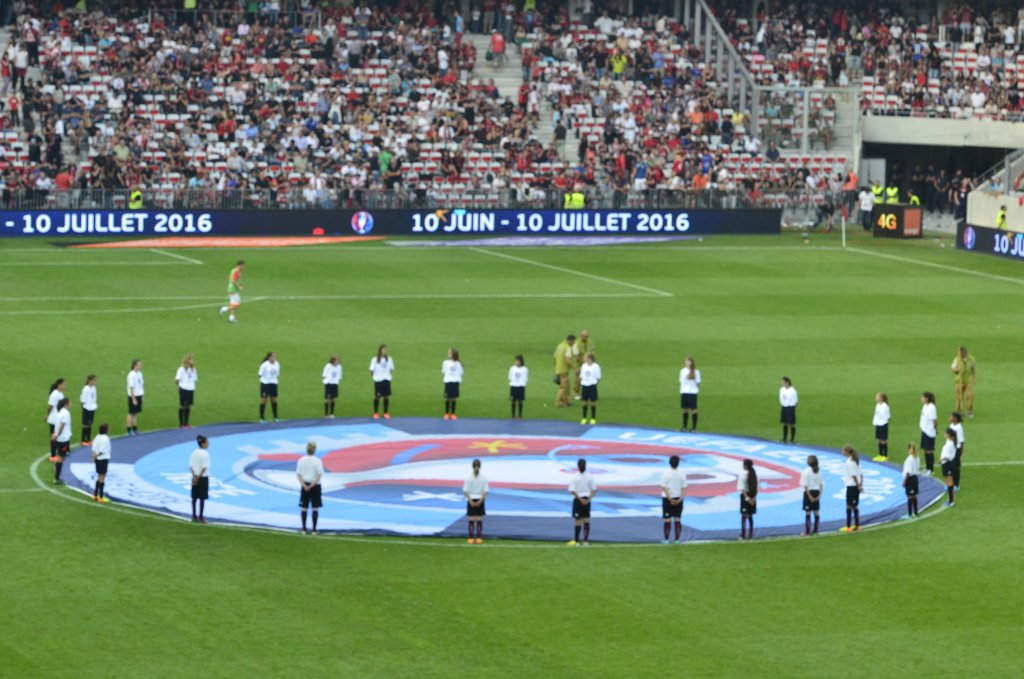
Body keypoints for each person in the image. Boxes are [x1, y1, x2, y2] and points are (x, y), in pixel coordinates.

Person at [567, 458, 597, 546]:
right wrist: (588, 499)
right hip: (587, 499)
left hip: (578, 499)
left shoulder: (574, 477)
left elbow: (572, 490)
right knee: (586, 519)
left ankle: (576, 541)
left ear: (578, 466)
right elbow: (594, 490)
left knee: (578, 520)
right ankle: (586, 541)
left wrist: (580, 499)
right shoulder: (590, 476)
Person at [296, 441, 324, 534]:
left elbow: (298, 474)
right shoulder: (317, 461)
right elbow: (319, 474)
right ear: (314, 450)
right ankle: (314, 530)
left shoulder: (301, 460)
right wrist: (312, 485)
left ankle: (304, 529)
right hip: (315, 485)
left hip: (305, 485)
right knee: (315, 507)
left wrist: (304, 485)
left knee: (304, 507)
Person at [660, 455, 688, 544]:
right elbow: (684, 488)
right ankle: (677, 540)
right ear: (678, 463)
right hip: (678, 497)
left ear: (669, 463)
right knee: (677, 519)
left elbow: (664, 487)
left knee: (667, 519)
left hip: (667, 498)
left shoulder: (665, 473)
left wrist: (670, 499)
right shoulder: (682, 474)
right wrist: (680, 499)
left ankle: (667, 540)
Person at [462, 459, 488, 544]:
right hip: (479, 499)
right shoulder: (483, 478)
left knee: (472, 519)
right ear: (479, 467)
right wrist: (480, 501)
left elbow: (466, 491)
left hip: (472, 499)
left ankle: (471, 538)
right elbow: (486, 491)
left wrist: (470, 501)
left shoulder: (468, 478)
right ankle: (478, 538)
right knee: (479, 518)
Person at [839, 446, 863, 533]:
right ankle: (857, 525)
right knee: (855, 505)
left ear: (847, 452)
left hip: (852, 486)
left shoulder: (849, 462)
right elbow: (861, 474)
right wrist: (860, 485)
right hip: (856, 486)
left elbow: (853, 475)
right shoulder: (856, 461)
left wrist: (858, 485)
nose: (842, 452)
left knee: (849, 506)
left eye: (843, 450)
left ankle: (849, 526)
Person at [50, 397, 72, 484]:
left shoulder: (61, 412)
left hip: (61, 438)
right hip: (63, 439)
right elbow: (62, 425)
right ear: (66, 404)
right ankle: (57, 477)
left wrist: (55, 434)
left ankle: (57, 473)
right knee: (61, 456)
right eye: (70, 402)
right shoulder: (66, 413)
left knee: (62, 456)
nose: (71, 404)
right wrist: (57, 435)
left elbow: (58, 425)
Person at [189, 435, 211, 523]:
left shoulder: (194, 452)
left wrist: (194, 477)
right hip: (203, 478)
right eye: (207, 442)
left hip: (194, 477)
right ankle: (201, 517)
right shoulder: (205, 454)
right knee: (202, 498)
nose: (208, 444)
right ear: (203, 443)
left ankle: (194, 516)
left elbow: (190, 466)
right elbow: (204, 468)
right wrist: (198, 478)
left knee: (194, 498)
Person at [800, 455, 823, 536]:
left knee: (808, 512)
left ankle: (808, 531)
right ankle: (816, 530)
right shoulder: (819, 471)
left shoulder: (806, 471)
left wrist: (809, 496)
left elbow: (805, 485)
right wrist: (819, 496)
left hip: (808, 493)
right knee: (816, 512)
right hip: (816, 492)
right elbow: (821, 485)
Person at [370, 344, 395, 419]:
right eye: (384, 350)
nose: (385, 351)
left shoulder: (389, 359)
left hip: (386, 379)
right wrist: (376, 376)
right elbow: (371, 370)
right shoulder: (375, 359)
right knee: (377, 396)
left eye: (386, 350)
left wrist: (386, 374)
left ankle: (385, 413)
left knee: (386, 396)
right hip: (378, 380)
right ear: (380, 351)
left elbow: (391, 369)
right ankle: (375, 413)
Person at [951, 346, 976, 417]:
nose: (960, 356)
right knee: (959, 396)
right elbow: (953, 369)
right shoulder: (957, 359)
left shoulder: (972, 359)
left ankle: (969, 411)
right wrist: (956, 370)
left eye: (961, 354)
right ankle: (959, 411)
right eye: (959, 354)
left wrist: (974, 379)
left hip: (968, 380)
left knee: (970, 396)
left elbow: (973, 369)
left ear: (965, 353)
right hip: (959, 380)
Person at [45, 378, 67, 459]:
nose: (65, 386)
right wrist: (47, 415)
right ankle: (53, 455)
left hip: (58, 419)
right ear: (59, 385)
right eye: (64, 384)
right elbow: (50, 406)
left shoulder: (60, 393)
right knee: (54, 437)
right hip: (54, 420)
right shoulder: (54, 394)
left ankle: (58, 452)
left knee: (57, 436)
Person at [175, 354, 197, 428]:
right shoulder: (181, 369)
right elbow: (177, 379)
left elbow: (195, 379)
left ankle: (186, 423)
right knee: (182, 406)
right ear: (187, 360)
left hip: (191, 389)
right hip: (184, 389)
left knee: (188, 406)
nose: (193, 361)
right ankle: (181, 424)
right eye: (191, 360)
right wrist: (178, 386)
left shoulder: (193, 369)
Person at [679, 356, 701, 432]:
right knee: (684, 409)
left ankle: (694, 428)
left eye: (689, 361)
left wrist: (696, 390)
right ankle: (684, 427)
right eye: (687, 361)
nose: (688, 363)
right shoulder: (682, 371)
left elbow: (698, 383)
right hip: (684, 392)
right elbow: (681, 382)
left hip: (692, 392)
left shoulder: (696, 372)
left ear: (692, 363)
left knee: (693, 410)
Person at [553, 334, 576, 408]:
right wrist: (574, 367)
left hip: (559, 369)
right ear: (570, 340)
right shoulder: (567, 347)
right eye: (573, 342)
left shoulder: (560, 345)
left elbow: (554, 356)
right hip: (563, 370)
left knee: (567, 386)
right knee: (563, 387)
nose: (573, 344)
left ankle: (566, 401)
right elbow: (567, 359)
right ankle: (558, 402)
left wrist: (556, 366)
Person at [258, 352, 281, 423]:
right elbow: (259, 374)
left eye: (275, 357)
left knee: (274, 400)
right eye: (272, 357)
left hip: (273, 383)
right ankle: (262, 418)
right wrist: (265, 380)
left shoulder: (277, 364)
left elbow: (277, 374)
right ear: (269, 358)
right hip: (265, 384)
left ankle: (275, 417)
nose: (274, 358)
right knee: (264, 400)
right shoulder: (264, 365)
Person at [578, 352, 601, 425]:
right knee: (584, 402)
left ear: (590, 358)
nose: (584, 359)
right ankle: (584, 418)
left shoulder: (596, 366)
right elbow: (581, 376)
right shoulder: (583, 366)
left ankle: (593, 418)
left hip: (592, 386)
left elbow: (598, 377)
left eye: (585, 358)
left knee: (593, 402)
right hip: (585, 385)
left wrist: (594, 384)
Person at [91, 423, 111, 503]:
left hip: (98, 460)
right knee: (102, 477)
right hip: (103, 459)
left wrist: (94, 457)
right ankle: (101, 496)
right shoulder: (105, 438)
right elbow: (102, 451)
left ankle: (95, 495)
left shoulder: (97, 437)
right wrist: (96, 456)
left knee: (99, 476)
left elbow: (94, 448)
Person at [738, 459, 757, 540]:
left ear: (745, 465)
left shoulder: (743, 474)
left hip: (745, 497)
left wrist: (747, 499)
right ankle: (751, 535)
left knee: (744, 515)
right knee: (750, 515)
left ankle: (743, 534)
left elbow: (742, 489)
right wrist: (753, 499)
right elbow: (756, 488)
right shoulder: (754, 474)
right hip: (753, 496)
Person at [442, 348, 464, 420]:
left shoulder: (459, 364)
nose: (448, 354)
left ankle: (453, 414)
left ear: (453, 354)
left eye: (450, 353)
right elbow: (444, 372)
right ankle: (447, 413)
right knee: (447, 398)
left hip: (456, 382)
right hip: (448, 381)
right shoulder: (445, 363)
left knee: (454, 398)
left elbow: (461, 373)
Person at [572, 330, 595, 399]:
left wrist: (591, 362)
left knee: (588, 378)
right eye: (584, 336)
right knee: (578, 380)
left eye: (587, 336)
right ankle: (576, 393)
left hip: (588, 364)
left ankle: (587, 393)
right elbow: (576, 355)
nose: (586, 338)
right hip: (578, 364)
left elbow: (592, 351)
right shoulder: (576, 343)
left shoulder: (590, 341)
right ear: (581, 336)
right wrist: (583, 362)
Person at [919, 392, 938, 475]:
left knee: (929, 451)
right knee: (925, 450)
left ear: (927, 398)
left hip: (929, 431)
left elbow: (935, 420)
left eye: (923, 397)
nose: (921, 399)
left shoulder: (931, 408)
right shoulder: (925, 406)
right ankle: (927, 468)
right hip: (924, 430)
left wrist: (935, 429)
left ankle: (931, 469)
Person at [939, 427, 957, 507]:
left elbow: (948, 456)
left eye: (945, 433)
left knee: (950, 482)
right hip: (946, 463)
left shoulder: (950, 444)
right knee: (948, 482)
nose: (944, 434)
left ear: (948, 435)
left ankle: (951, 501)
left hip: (948, 464)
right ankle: (951, 500)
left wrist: (941, 459)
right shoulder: (949, 442)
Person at [902, 443, 921, 519]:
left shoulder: (910, 459)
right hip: (915, 478)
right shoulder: (917, 457)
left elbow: (908, 472)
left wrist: (904, 481)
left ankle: (910, 514)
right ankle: (916, 513)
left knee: (910, 496)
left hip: (910, 479)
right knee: (914, 496)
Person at [126, 359, 144, 436]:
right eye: (139, 365)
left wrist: (142, 397)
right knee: (131, 413)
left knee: (135, 413)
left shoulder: (140, 373)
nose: (141, 366)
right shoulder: (131, 375)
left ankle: (135, 428)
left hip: (139, 395)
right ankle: (129, 429)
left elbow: (141, 385)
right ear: (135, 365)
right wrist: (133, 399)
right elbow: (131, 387)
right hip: (133, 396)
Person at [872, 392, 891, 462]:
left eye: (877, 396)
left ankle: (885, 456)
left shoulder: (885, 406)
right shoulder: (878, 405)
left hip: (883, 424)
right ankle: (880, 455)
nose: (876, 397)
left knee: (883, 440)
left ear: (881, 398)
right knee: (878, 440)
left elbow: (888, 416)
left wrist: (883, 421)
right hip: (878, 424)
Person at [508, 354, 528, 419]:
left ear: (521, 361)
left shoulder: (525, 369)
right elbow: (510, 377)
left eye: (518, 361)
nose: (516, 362)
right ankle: (513, 415)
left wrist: (522, 384)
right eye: (516, 361)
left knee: (520, 401)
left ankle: (520, 415)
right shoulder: (512, 368)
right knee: (513, 401)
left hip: (521, 386)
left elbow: (525, 378)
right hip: (513, 386)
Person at [779, 377, 798, 443]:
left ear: (787, 382)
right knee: (784, 423)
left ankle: (792, 439)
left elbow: (795, 400)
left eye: (783, 382)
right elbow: (781, 398)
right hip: (784, 407)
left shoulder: (792, 390)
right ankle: (784, 438)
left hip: (790, 407)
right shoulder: (782, 389)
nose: (781, 383)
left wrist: (792, 408)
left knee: (792, 424)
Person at [949, 411, 965, 490]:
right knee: (951, 467)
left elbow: (961, 441)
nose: (949, 418)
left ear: (955, 418)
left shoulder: (959, 428)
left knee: (956, 467)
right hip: (951, 449)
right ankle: (951, 484)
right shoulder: (951, 425)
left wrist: (961, 451)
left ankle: (956, 485)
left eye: (951, 416)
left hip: (956, 449)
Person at [80, 374, 97, 445]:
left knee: (90, 424)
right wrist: (82, 409)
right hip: (86, 408)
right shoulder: (85, 389)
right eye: (94, 380)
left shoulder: (94, 388)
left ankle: (89, 439)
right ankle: (83, 440)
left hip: (92, 407)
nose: (95, 381)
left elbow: (94, 397)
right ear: (90, 381)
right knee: (85, 424)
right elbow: (82, 400)